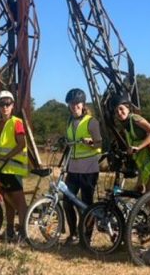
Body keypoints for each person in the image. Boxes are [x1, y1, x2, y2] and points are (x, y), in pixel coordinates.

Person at [62, 87, 102, 245]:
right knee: (67, 200)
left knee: (87, 204)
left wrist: (91, 143)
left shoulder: (91, 122)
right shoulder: (69, 122)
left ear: (83, 104)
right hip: (73, 169)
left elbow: (100, 143)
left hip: (88, 170)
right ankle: (73, 234)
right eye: (71, 104)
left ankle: (86, 237)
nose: (74, 106)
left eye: (77, 103)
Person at [112, 94, 150, 193]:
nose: (119, 113)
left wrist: (138, 147)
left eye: (121, 109)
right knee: (141, 194)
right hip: (147, 167)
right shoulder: (126, 127)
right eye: (116, 111)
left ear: (128, 108)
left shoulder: (134, 118)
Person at [0, 90, 28, 241]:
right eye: (2, 104)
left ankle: (24, 233)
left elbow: (22, 144)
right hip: (2, 168)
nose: (5, 107)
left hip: (13, 167)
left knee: (19, 202)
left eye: (8, 104)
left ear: (12, 105)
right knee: (7, 202)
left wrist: (6, 157)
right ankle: (9, 231)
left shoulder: (17, 122)